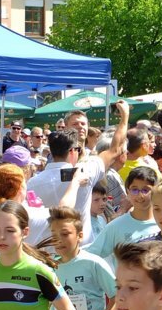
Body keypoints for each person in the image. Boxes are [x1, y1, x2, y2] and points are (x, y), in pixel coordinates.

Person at [27, 101, 130, 245]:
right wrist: (124, 117)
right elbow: (116, 149)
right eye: (75, 124)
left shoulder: (32, 183)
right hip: (80, 248)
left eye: (83, 124)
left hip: (45, 250)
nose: (80, 127)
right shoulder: (85, 171)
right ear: (72, 151)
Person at [87, 166, 160, 262]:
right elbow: (91, 255)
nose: (140, 195)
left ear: (155, 191)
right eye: (134, 190)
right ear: (127, 192)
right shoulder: (116, 227)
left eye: (145, 190)